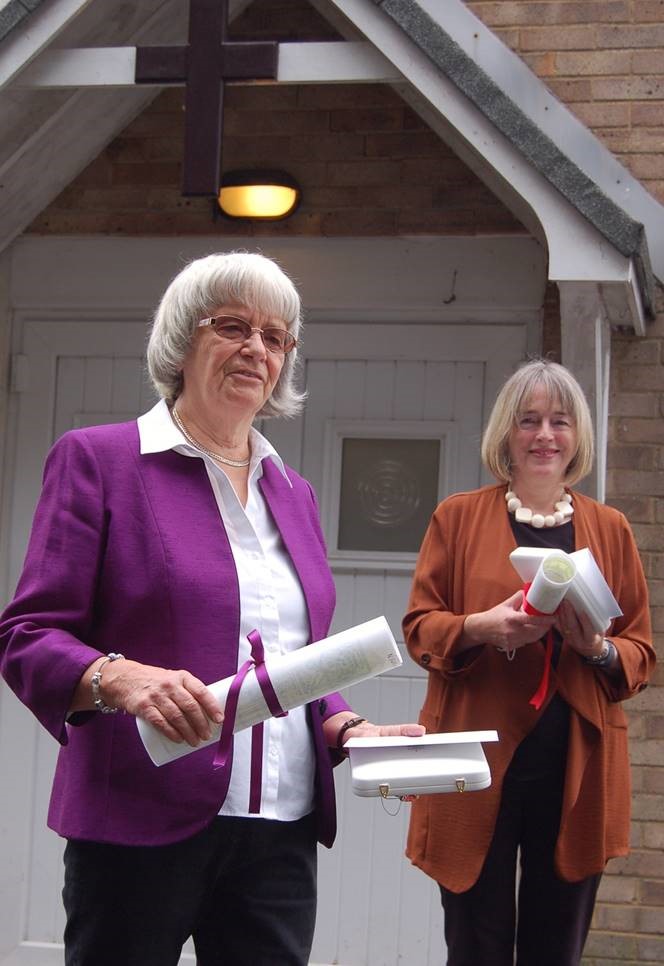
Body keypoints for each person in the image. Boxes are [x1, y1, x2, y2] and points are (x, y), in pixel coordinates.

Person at [0, 251, 423, 966]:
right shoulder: (101, 462)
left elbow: (291, 660)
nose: (256, 347)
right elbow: (28, 635)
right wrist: (121, 677)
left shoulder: (295, 494)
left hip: (278, 834)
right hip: (138, 821)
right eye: (232, 325)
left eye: (276, 336)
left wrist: (348, 725)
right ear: (181, 340)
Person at [402, 359, 655, 966]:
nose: (545, 435)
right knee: (475, 945)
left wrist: (595, 647)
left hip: (575, 763)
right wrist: (479, 628)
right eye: (529, 421)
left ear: (577, 438)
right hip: (475, 759)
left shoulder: (611, 529)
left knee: (556, 946)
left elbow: (640, 652)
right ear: (505, 435)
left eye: (559, 421)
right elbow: (419, 628)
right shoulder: (457, 518)